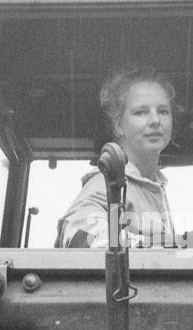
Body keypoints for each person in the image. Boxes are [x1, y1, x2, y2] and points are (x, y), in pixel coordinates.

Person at [56, 66, 181, 249]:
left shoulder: (152, 186)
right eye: (141, 112)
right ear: (118, 125)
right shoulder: (107, 183)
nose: (155, 120)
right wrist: (153, 246)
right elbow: (79, 233)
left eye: (163, 111)